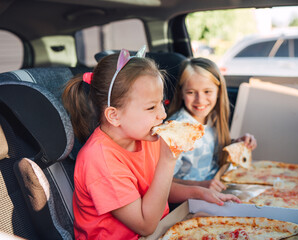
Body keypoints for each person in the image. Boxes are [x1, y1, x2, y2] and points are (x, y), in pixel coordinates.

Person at [62, 47, 241, 240]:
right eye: (151, 107)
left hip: (159, 228)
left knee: (220, 227)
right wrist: (168, 160)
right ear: (114, 115)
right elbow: (145, 226)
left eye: (162, 104)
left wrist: (199, 192)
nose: (163, 115)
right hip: (143, 232)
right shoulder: (100, 160)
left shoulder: (145, 137)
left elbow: (158, 189)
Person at [167, 57, 257, 192]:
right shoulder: (177, 130)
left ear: (218, 91)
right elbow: (163, 182)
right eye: (191, 92)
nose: (200, 100)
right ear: (181, 93)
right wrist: (200, 185)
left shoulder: (211, 118)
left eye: (207, 91)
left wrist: (237, 144)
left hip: (215, 187)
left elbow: (209, 151)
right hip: (188, 199)